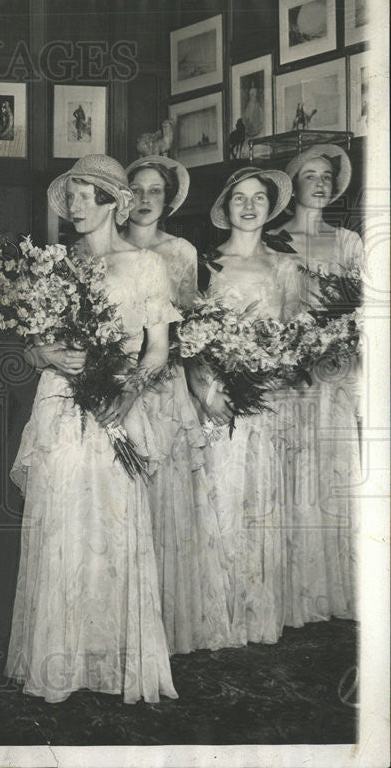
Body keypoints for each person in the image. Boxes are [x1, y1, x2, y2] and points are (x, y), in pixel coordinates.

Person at [6, 155, 178, 704]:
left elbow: (156, 350)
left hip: (115, 409)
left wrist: (126, 395)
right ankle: (59, 658)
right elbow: (32, 342)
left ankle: (109, 659)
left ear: (113, 202)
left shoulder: (146, 265)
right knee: (61, 522)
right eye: (71, 197)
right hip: (59, 404)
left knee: (110, 527)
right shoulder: (57, 264)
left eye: (85, 196)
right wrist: (39, 351)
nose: (74, 207)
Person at [123, 156, 234, 653]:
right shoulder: (106, 244)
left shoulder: (182, 251)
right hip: (115, 381)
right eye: (137, 189)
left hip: (163, 384)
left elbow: (189, 329)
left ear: (168, 201)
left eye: (155, 191)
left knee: (166, 494)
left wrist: (200, 390)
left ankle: (165, 619)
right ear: (122, 196)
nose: (145, 199)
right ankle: (124, 613)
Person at [191, 167, 304, 646]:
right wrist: (206, 393)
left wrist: (275, 369)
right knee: (219, 496)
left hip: (267, 401)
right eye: (240, 198)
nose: (250, 206)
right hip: (218, 399)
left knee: (260, 500)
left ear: (271, 206)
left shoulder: (285, 267)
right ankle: (217, 616)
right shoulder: (206, 264)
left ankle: (255, 614)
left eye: (259, 198)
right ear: (226, 206)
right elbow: (189, 342)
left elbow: (298, 339)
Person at [277, 145, 361, 626]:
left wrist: (345, 344)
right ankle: (296, 593)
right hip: (290, 377)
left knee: (335, 473)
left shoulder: (348, 242)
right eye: (310, 175)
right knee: (294, 476)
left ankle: (335, 589)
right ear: (293, 185)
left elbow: (369, 305)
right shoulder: (274, 240)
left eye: (327, 175)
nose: (321, 183)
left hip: (337, 376)